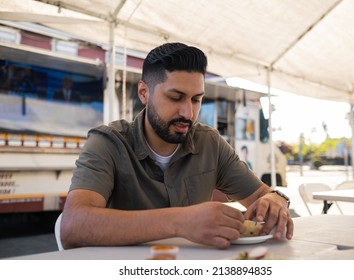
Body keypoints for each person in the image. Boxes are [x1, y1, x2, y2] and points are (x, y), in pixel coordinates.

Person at [61, 42, 293, 249]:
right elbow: (74, 227)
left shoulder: (209, 143)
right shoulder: (108, 142)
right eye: (175, 97)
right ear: (144, 92)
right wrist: (182, 221)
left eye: (196, 99)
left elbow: (264, 195)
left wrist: (275, 200)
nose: (188, 112)